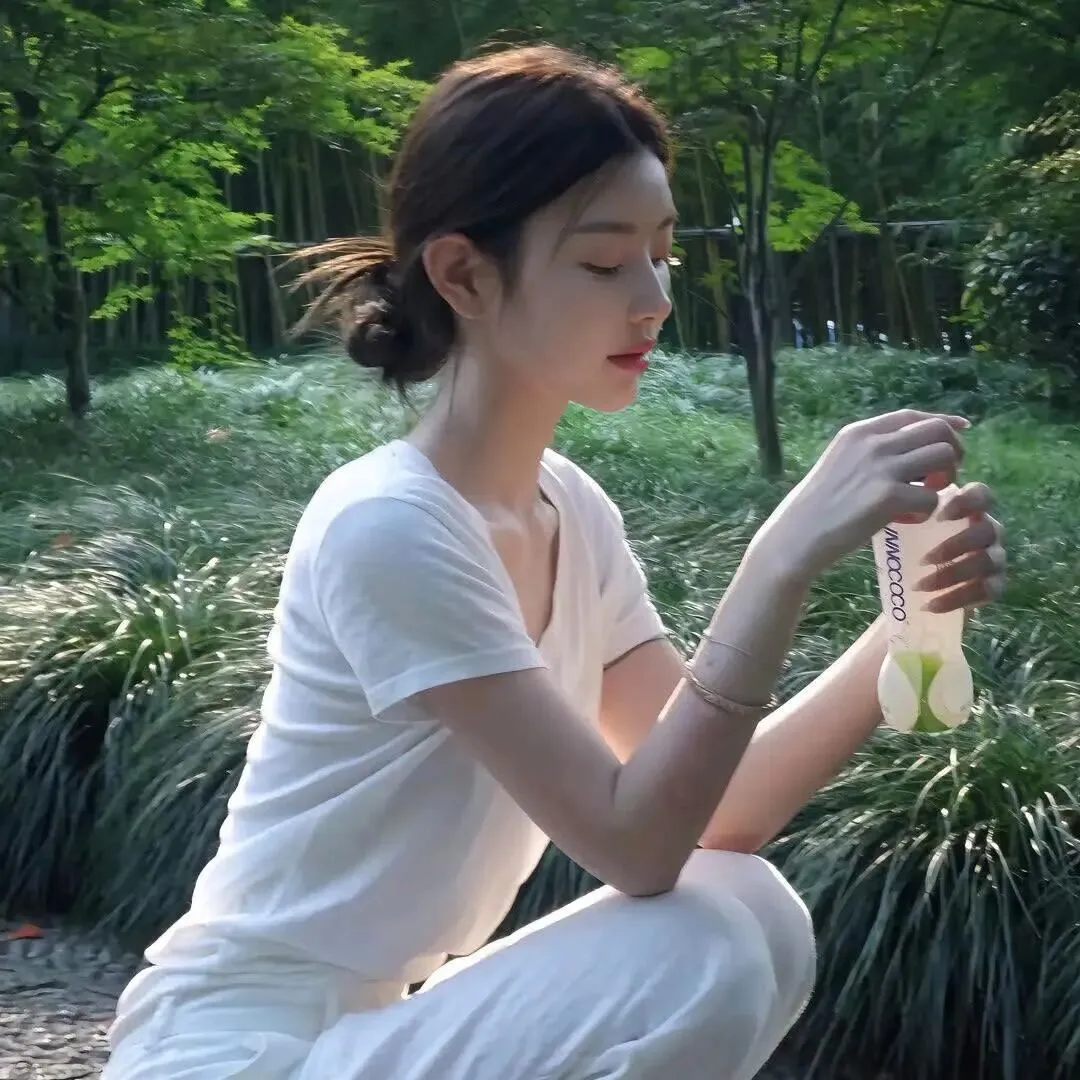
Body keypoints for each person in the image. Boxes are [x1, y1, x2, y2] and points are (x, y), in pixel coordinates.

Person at [102, 43, 1006, 1080]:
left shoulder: (569, 510)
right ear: (463, 274)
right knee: (703, 941)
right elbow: (635, 846)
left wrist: (907, 625)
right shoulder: (388, 524)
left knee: (748, 907)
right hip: (235, 1051)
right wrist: (778, 562)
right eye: (605, 262)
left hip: (374, 1035)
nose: (654, 297)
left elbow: (717, 816)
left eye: (663, 255)